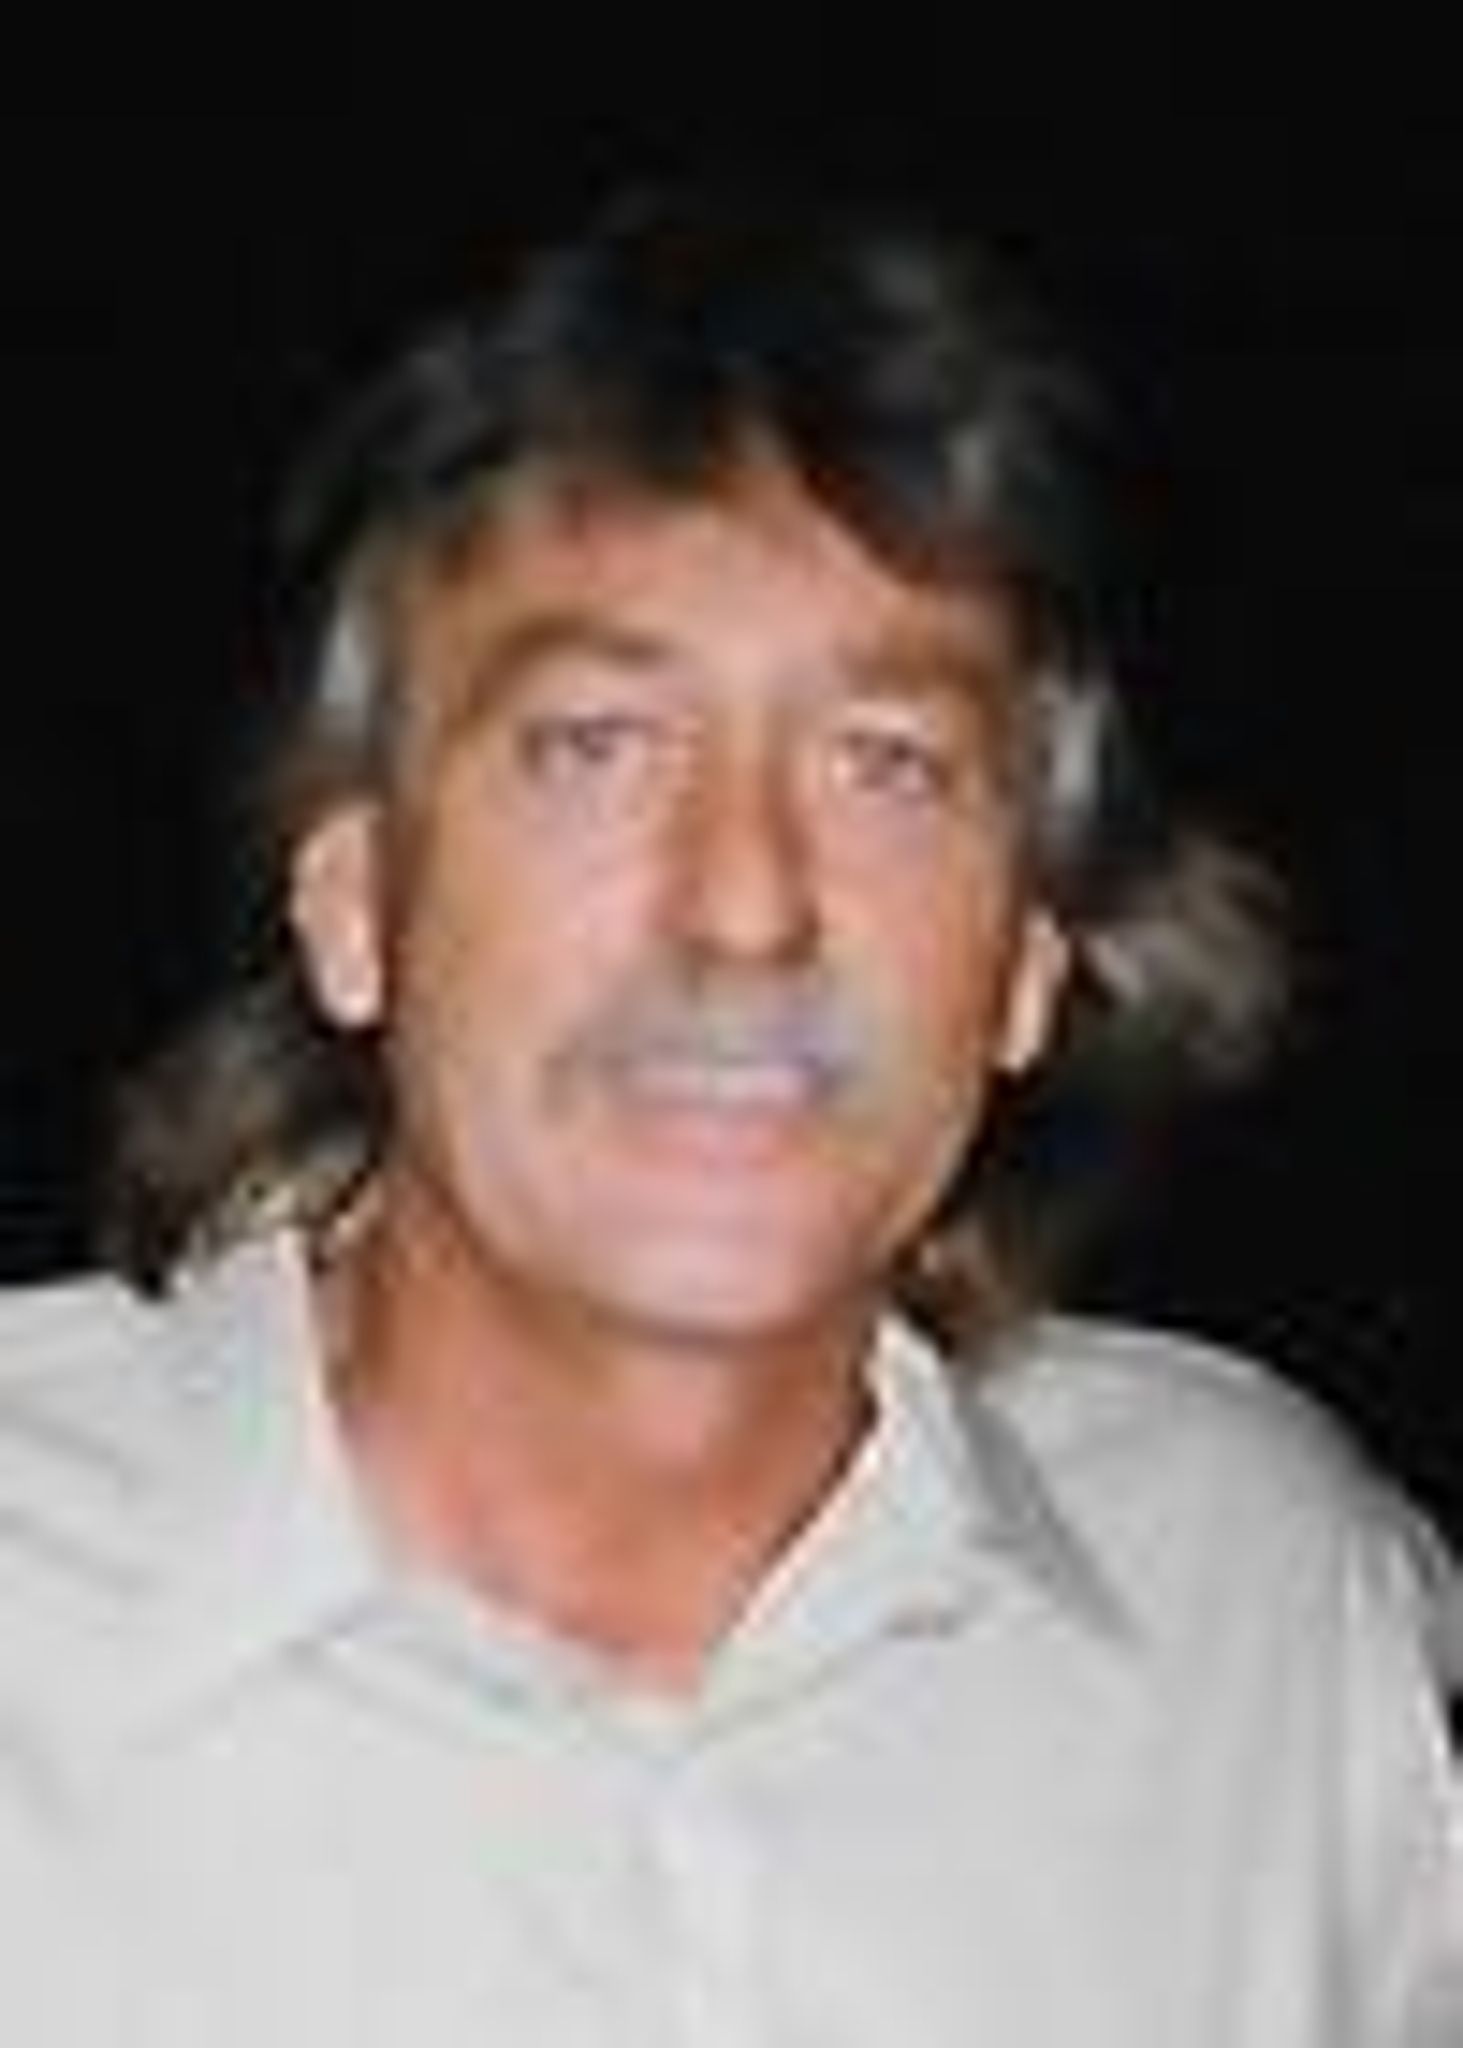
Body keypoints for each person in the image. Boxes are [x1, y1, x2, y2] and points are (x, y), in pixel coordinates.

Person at [0, 184, 1457, 2045]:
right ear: (357, 901)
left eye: (887, 765)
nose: (746, 903)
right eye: (595, 747)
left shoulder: (1274, 1616)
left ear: (1029, 954)